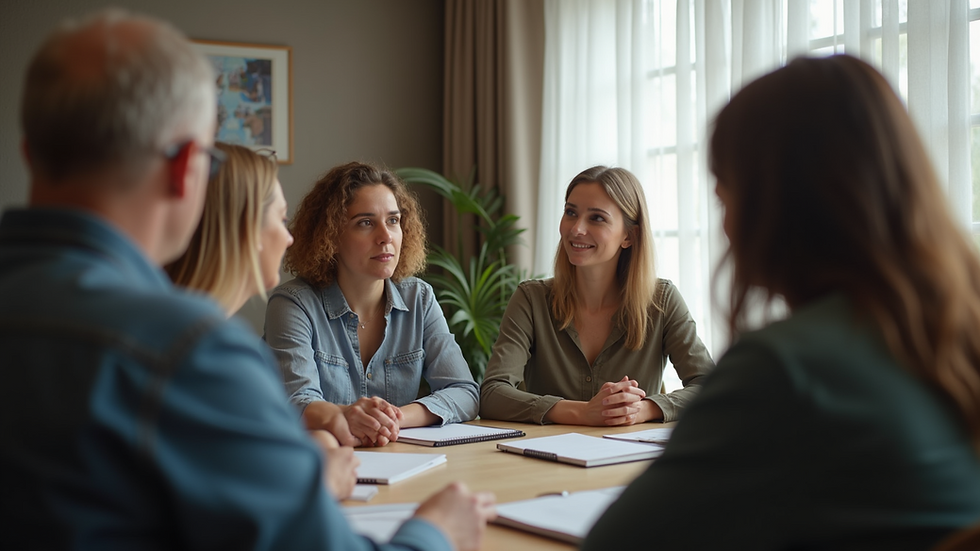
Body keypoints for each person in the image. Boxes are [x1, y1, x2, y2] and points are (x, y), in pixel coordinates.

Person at [0, 10, 495, 550]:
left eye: (394, 220)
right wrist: (434, 532)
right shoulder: (186, 348)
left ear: (30, 151)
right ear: (186, 166)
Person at [584, 55, 980, 550]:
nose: (725, 226)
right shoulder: (953, 324)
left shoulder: (788, 366)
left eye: (725, 195)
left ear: (776, 202)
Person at [164, 142, 358, 498]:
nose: (289, 238)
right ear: (247, 230)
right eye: (281, 221)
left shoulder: (166, 328)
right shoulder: (214, 356)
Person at [265, 162, 480, 447]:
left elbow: (464, 391)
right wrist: (346, 415)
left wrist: (394, 418)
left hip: (404, 464)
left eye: (393, 220)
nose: (385, 236)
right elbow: (294, 400)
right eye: (365, 223)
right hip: (325, 465)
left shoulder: (420, 298)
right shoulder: (293, 304)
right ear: (331, 236)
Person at [479, 166, 714, 425]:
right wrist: (582, 412)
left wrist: (640, 409)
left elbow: (711, 387)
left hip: (630, 458)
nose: (576, 229)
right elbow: (492, 394)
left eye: (597, 218)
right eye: (571, 212)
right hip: (546, 459)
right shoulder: (531, 299)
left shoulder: (662, 300)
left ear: (629, 235)